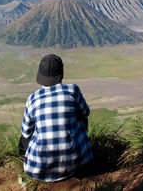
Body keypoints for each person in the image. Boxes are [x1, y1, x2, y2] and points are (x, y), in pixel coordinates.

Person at [19, 54, 93, 182]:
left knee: (26, 133)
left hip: (38, 169)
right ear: (62, 75)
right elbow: (86, 113)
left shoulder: (33, 99)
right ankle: (79, 153)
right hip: (77, 164)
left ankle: (27, 160)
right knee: (81, 117)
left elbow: (25, 133)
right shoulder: (73, 90)